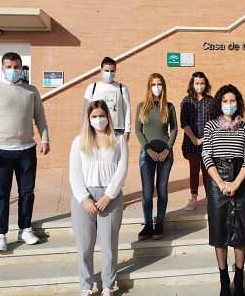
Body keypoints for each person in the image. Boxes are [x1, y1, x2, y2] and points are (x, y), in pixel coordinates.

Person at [0, 52, 50, 253]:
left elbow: (40, 117)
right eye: (9, 66)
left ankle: (25, 229)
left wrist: (45, 139)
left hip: (26, 150)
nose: (13, 70)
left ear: (22, 67)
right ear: (3, 69)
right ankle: (0, 234)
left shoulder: (31, 91)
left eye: (16, 66)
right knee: (1, 193)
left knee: (26, 192)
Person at [69, 100, 129, 296]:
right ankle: (86, 286)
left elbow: (122, 170)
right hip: (84, 197)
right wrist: (84, 198)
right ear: (88, 118)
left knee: (109, 245)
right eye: (94, 116)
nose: (98, 119)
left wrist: (108, 196)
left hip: (109, 198)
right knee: (85, 246)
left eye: (101, 115)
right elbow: (74, 172)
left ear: (108, 117)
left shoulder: (119, 140)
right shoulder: (79, 141)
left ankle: (108, 286)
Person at [202, 84, 245, 296]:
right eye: (225, 101)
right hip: (217, 179)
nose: (229, 105)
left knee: (240, 231)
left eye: (233, 101)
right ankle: (224, 280)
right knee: (220, 231)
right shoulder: (211, 126)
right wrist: (222, 183)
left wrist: (235, 183)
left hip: (240, 178)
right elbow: (207, 155)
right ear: (219, 103)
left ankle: (239, 279)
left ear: (238, 103)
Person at [135, 73, 178, 240]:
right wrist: (149, 151)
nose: (157, 87)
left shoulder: (169, 107)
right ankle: (147, 224)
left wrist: (167, 150)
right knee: (147, 191)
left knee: (162, 189)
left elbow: (174, 129)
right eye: (154, 84)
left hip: (165, 154)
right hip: (147, 155)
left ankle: (159, 222)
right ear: (149, 86)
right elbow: (138, 130)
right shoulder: (142, 106)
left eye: (160, 84)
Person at [180, 71, 214, 211]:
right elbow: (184, 121)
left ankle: (209, 197)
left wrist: (205, 138)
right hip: (191, 142)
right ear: (192, 84)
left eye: (202, 83)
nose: (199, 86)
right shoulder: (186, 101)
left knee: (207, 170)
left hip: (207, 142)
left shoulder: (211, 101)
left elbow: (215, 121)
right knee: (194, 171)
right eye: (197, 83)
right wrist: (194, 138)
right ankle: (193, 198)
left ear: (206, 84)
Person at [83, 57, 132, 140]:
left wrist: (127, 131)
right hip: (97, 128)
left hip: (117, 129)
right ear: (101, 70)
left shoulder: (122, 88)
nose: (109, 73)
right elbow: (86, 110)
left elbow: (127, 109)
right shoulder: (92, 88)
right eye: (106, 70)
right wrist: (85, 130)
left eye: (112, 71)